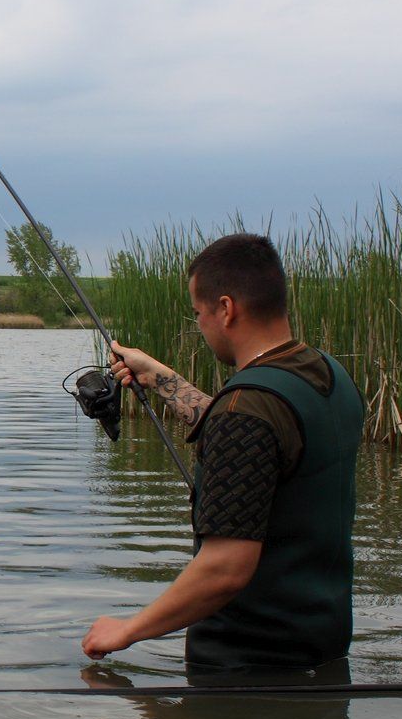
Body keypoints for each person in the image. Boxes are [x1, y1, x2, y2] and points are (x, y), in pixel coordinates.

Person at [80, 232, 364, 672]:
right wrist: (160, 377)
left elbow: (225, 568)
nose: (200, 324)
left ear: (227, 309)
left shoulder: (247, 410)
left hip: (244, 668)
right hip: (323, 649)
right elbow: (261, 437)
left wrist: (128, 629)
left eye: (198, 313)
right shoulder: (328, 375)